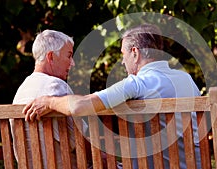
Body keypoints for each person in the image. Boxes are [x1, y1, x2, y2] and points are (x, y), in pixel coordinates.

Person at [22, 24, 201, 168]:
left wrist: (49, 101)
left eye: (123, 55)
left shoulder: (137, 83)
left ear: (135, 53)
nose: (122, 61)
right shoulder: (186, 79)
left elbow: (78, 107)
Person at [10, 29, 88, 169]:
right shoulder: (56, 86)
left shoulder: (21, 91)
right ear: (51, 56)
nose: (72, 63)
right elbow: (81, 141)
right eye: (69, 56)